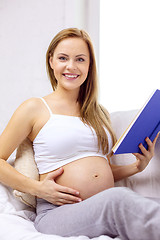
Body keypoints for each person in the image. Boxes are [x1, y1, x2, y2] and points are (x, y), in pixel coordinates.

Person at [0, 28, 160, 240]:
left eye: (80, 59)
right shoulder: (34, 108)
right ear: (51, 61)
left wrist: (136, 167)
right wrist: (38, 189)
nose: (71, 66)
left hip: (99, 206)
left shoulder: (98, 113)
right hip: (57, 213)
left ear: (89, 65)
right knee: (118, 201)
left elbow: (97, 169)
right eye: (63, 58)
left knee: (152, 203)